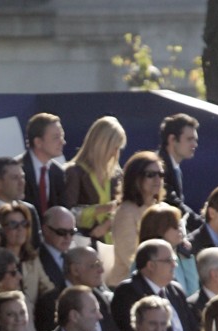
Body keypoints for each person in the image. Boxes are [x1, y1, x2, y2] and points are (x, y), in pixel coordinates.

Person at [111, 239, 197, 331]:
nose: (174, 265)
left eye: (174, 260)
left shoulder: (175, 290)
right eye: (169, 260)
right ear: (151, 265)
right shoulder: (128, 291)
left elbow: (192, 329)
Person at [62, 115, 125, 246]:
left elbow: (124, 208)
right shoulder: (74, 172)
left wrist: (108, 224)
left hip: (113, 245)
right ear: (101, 145)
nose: (116, 154)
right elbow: (68, 213)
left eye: (118, 148)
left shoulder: (117, 175)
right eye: (113, 147)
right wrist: (101, 209)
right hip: (83, 245)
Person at [108, 150, 164, 286]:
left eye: (161, 174)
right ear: (135, 178)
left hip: (159, 282)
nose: (157, 179)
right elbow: (131, 258)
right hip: (128, 286)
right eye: (150, 175)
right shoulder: (125, 212)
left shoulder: (162, 208)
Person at [137, 203, 198, 298]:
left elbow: (192, 293)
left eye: (180, 225)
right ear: (159, 230)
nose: (180, 229)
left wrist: (187, 258)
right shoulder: (145, 260)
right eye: (175, 226)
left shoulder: (178, 255)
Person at [157, 112, 201, 230]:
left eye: (195, 140)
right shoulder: (158, 167)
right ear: (172, 139)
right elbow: (174, 204)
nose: (195, 144)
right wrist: (205, 227)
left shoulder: (174, 167)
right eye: (189, 139)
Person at [22, 112, 67, 217]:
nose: (63, 142)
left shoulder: (58, 172)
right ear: (38, 142)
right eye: (56, 138)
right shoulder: (18, 171)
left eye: (62, 136)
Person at [39, 206, 79, 293]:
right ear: (46, 230)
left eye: (72, 232)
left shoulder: (76, 255)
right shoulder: (36, 259)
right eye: (61, 232)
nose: (68, 237)